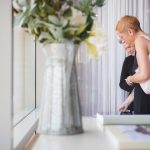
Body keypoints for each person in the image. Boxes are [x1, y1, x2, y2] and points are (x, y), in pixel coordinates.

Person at [116, 15, 150, 114]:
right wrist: (128, 101)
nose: (123, 42)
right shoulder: (147, 38)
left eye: (122, 37)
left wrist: (130, 78)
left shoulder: (140, 40)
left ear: (130, 32)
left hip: (145, 102)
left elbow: (144, 75)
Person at [118, 45, 135, 114]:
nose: (128, 50)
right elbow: (122, 83)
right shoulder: (128, 60)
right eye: (126, 48)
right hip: (134, 102)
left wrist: (132, 80)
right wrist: (134, 84)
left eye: (130, 47)